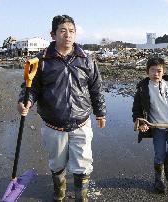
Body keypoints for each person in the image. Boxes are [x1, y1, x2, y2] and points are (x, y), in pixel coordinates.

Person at [17, 15, 106, 202]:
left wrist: (100, 112)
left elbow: (96, 88)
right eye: (63, 31)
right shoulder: (40, 61)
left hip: (81, 121)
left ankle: (81, 196)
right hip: (52, 124)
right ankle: (59, 193)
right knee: (57, 164)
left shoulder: (86, 59)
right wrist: (26, 101)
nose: (68, 35)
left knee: (83, 164)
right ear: (53, 34)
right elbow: (30, 87)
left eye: (72, 31)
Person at [132, 57, 168, 193]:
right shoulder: (142, 89)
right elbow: (137, 109)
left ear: (163, 72)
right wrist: (141, 123)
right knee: (159, 155)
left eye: (159, 71)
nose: (155, 74)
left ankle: (167, 168)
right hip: (156, 127)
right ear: (147, 71)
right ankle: (159, 179)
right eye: (152, 70)